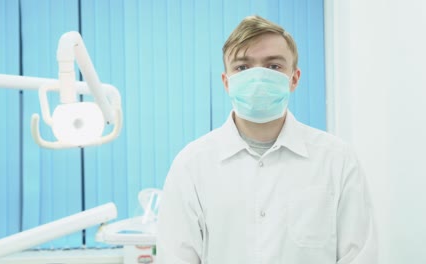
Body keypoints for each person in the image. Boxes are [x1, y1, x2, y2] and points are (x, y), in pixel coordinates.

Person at [156, 15, 377, 264]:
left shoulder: (337, 160)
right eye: (242, 67)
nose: (258, 78)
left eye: (273, 66)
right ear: (226, 81)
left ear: (294, 78)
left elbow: (359, 256)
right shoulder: (191, 165)